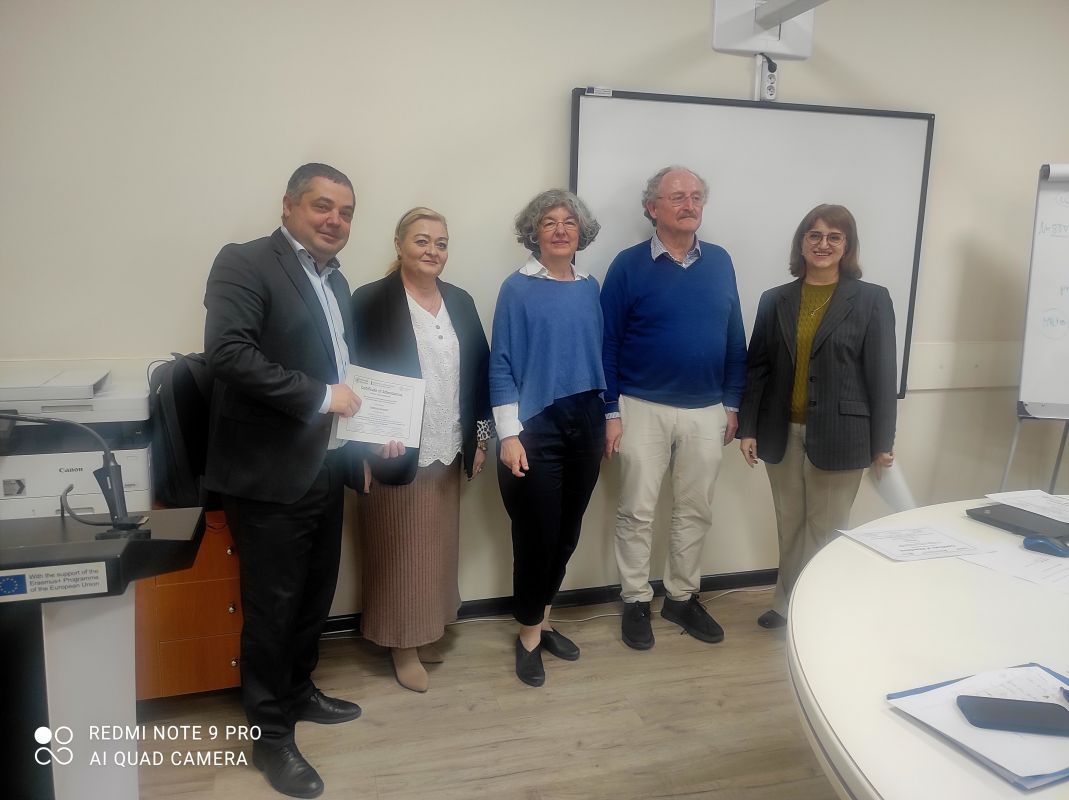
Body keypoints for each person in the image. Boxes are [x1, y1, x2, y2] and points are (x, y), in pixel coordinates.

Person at [204, 163, 381, 799]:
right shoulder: (245, 262)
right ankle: (269, 735)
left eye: (346, 212)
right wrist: (322, 397)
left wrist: (362, 434)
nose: (335, 220)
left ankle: (299, 690)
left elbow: (346, 372)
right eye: (321, 206)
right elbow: (229, 353)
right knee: (272, 609)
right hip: (269, 471)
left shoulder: (337, 282)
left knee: (314, 594)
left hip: (326, 465)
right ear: (289, 206)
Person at [601, 165, 747, 651]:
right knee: (637, 511)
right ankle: (635, 600)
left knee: (695, 509)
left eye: (697, 196)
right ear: (653, 208)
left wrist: (732, 402)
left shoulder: (720, 261)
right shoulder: (628, 265)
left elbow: (734, 335)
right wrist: (610, 410)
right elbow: (607, 342)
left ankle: (681, 597)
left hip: (707, 409)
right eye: (678, 196)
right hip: (640, 405)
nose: (690, 205)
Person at [349, 207, 492, 694]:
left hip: (447, 447)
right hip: (392, 452)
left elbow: (479, 373)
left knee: (435, 550)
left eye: (441, 243)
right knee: (399, 552)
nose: (433, 251)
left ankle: (428, 629)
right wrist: (361, 447)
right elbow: (351, 373)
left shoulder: (460, 301)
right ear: (399, 244)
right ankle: (401, 644)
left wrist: (479, 438)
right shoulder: (370, 300)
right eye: (422, 240)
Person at [737, 204, 896, 630]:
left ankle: (816, 611)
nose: (823, 244)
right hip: (781, 431)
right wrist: (748, 428)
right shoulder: (775, 300)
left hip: (843, 433)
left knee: (825, 530)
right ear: (802, 243)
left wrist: (883, 442)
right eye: (815, 235)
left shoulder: (872, 299)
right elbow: (758, 368)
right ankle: (785, 604)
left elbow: (882, 374)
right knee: (789, 523)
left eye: (834, 237)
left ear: (847, 246)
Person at [490, 188, 605, 687]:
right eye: (550, 222)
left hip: (587, 418)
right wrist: (508, 435)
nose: (560, 230)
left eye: (569, 222)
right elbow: (501, 363)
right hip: (536, 425)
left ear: (581, 232)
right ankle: (528, 635)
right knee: (537, 534)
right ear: (533, 232)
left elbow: (599, 354)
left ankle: (544, 618)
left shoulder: (590, 287)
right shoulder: (516, 288)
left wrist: (610, 415)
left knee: (567, 531)